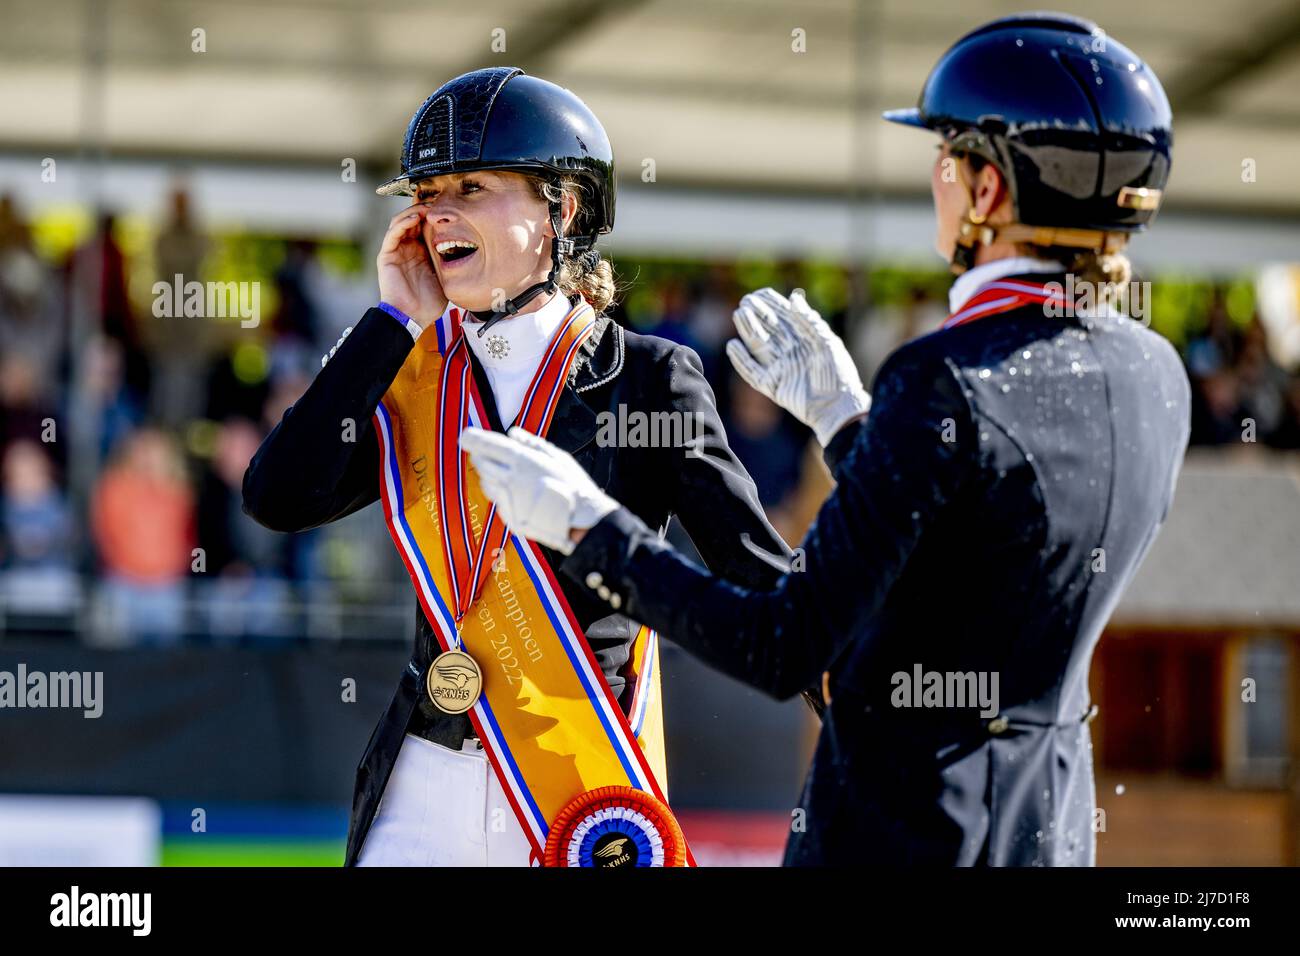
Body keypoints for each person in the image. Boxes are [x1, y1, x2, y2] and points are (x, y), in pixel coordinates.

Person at [462, 14, 1193, 865]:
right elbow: (983, 534)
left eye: (947, 161)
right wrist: (852, 425)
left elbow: (783, 643)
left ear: (987, 192)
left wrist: (590, 527)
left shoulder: (942, 377)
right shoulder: (1158, 375)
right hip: (1046, 824)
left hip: (901, 831)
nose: (939, 182)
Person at [242, 67, 797, 867]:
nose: (437, 214)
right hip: (420, 786)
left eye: (470, 186)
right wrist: (391, 318)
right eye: (428, 192)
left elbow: (759, 577)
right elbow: (277, 497)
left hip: (579, 798)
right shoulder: (409, 370)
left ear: (561, 208)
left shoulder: (649, 377)